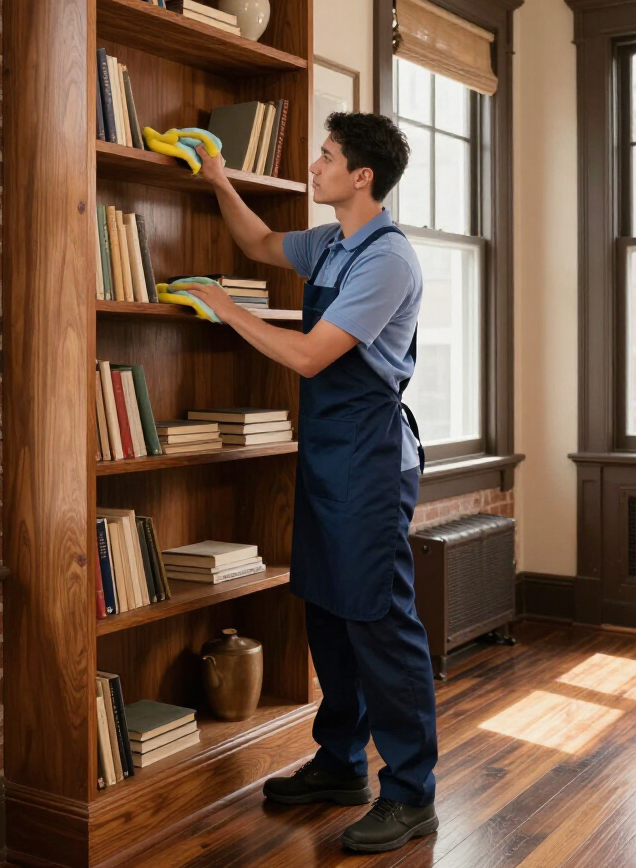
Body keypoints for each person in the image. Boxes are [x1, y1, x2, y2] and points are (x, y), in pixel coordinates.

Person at [186, 111, 438, 854]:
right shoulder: (332, 242)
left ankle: (411, 792)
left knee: (381, 627)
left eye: (326, 157)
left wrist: (227, 308)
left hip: (368, 458)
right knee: (328, 613)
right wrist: (218, 179)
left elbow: (307, 358)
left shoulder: (385, 259)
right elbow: (260, 242)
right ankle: (338, 765)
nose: (314, 167)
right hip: (328, 457)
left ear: (362, 176)